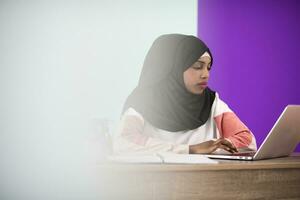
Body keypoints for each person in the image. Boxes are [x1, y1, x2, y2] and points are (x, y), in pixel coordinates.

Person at [113, 34, 256, 155]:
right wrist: (191, 150)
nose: (206, 75)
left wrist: (223, 144)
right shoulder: (142, 102)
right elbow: (123, 142)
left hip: (207, 183)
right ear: (171, 68)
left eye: (208, 67)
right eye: (197, 67)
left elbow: (248, 141)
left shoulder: (212, 103)